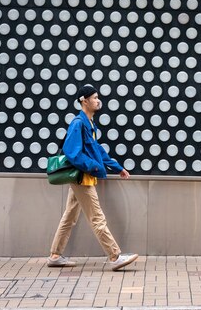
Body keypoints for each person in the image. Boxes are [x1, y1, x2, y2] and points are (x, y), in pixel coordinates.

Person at [47, 84, 138, 271]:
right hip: (82, 179)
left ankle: (55, 255)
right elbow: (72, 153)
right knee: (97, 218)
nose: (98, 100)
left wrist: (117, 167)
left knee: (69, 217)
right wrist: (94, 166)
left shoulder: (90, 124)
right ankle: (115, 256)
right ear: (84, 101)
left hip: (84, 177)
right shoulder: (78, 123)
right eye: (95, 97)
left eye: (98, 97)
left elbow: (97, 151)